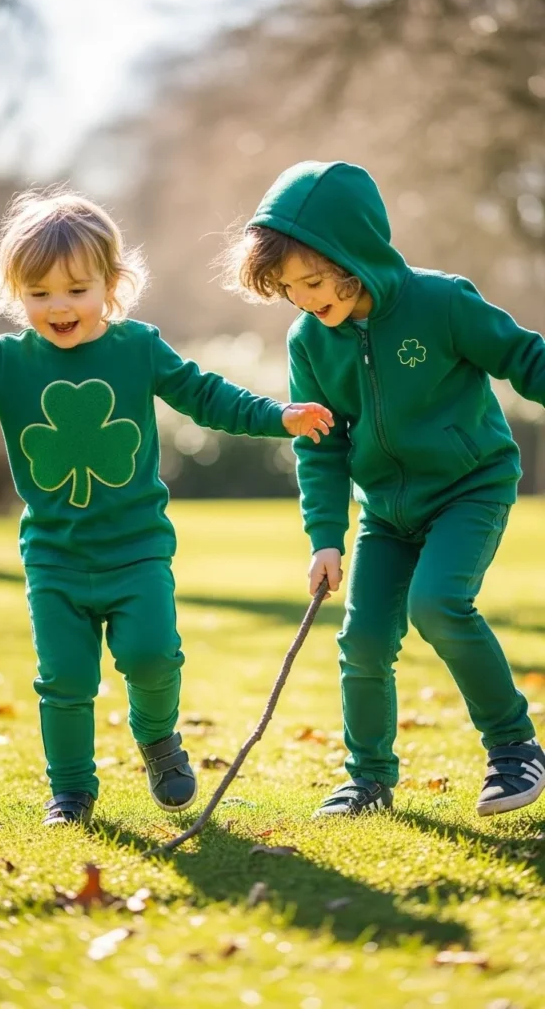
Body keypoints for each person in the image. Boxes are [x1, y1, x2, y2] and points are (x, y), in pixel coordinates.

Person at [0, 186, 333, 826]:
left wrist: (279, 416)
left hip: (136, 552)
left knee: (151, 656)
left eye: (77, 290)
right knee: (64, 680)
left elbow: (207, 396)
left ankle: (159, 739)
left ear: (111, 285)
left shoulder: (137, 348)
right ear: (14, 292)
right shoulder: (4, 366)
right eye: (40, 294)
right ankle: (72, 792)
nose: (60, 307)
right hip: (54, 560)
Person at [221, 159, 545, 819]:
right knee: (363, 641)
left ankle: (515, 748)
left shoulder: (442, 302)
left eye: (314, 279)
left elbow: (524, 358)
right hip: (385, 513)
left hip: (468, 487)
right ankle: (368, 778)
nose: (308, 299)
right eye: (290, 288)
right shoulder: (310, 340)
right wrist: (325, 539)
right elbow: (322, 445)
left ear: (358, 252)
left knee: (438, 604)